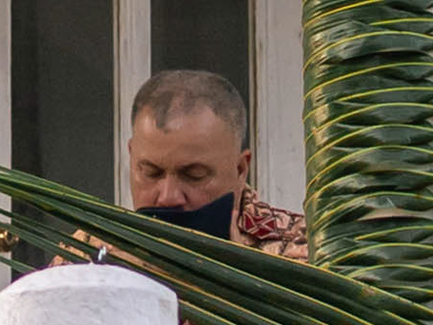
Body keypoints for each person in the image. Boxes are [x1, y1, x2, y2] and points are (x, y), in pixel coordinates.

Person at [124, 66, 307, 256]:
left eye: (194, 175)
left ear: (240, 170)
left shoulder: (308, 253)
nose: (168, 198)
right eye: (151, 173)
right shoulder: (99, 254)